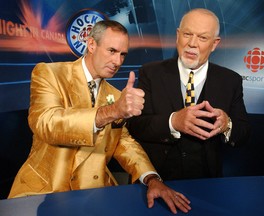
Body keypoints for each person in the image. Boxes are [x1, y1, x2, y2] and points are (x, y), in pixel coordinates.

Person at [8, 20, 191, 214]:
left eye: (123, 55)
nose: (118, 61)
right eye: (112, 51)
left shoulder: (116, 95)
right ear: (91, 45)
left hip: (94, 194)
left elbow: (124, 143)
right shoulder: (49, 73)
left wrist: (152, 179)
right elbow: (47, 123)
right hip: (43, 193)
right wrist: (113, 112)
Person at [127, 8, 251, 180]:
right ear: (178, 35)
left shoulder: (231, 81)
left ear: (214, 44)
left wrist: (227, 125)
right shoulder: (151, 73)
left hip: (207, 183)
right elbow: (135, 126)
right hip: (157, 179)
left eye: (202, 38)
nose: (192, 43)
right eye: (187, 34)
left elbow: (243, 132)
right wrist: (173, 122)